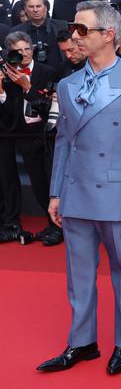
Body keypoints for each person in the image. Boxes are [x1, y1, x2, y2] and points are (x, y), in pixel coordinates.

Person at [37, 1, 121, 375]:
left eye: (82, 30)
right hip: (77, 191)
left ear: (108, 36)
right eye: (73, 29)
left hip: (118, 194)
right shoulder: (67, 85)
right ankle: (82, 342)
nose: (74, 37)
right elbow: (64, 142)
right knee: (78, 273)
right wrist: (56, 193)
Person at [0, 32, 61, 245]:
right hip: (16, 133)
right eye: (19, 51)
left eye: (27, 49)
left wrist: (27, 86)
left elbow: (49, 108)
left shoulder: (48, 71)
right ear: (10, 53)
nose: (24, 54)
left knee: (45, 182)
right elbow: (8, 114)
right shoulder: (6, 74)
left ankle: (56, 225)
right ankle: (14, 223)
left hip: (43, 135)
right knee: (25, 182)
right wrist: (1, 90)